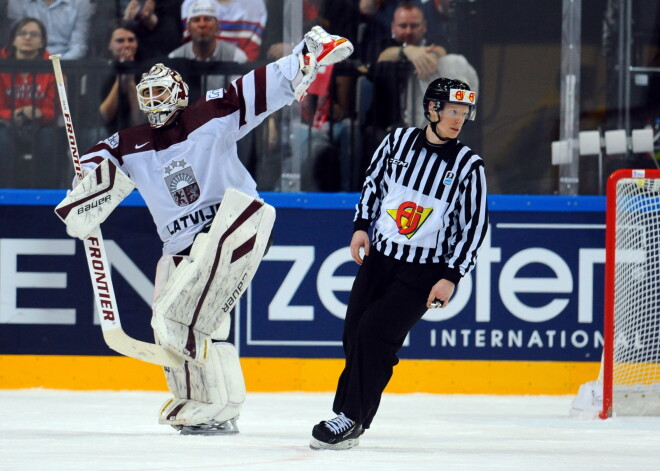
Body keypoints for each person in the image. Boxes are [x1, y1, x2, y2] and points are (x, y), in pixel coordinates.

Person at [72, 26, 353, 434]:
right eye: (146, 95)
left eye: (161, 93)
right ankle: (206, 400)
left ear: (181, 94)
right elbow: (90, 175)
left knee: (179, 316)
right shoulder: (128, 144)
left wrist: (305, 56)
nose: (153, 102)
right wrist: (82, 202)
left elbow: (255, 90)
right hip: (183, 245)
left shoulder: (209, 114)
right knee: (175, 324)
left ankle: (218, 403)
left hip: (236, 224)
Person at [310, 78, 488, 450]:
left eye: (464, 113)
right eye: (452, 111)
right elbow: (374, 185)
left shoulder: (469, 166)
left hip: (423, 271)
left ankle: (350, 416)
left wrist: (450, 277)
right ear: (432, 109)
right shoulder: (397, 142)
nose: (459, 119)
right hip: (381, 259)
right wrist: (361, 227)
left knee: (375, 334)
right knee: (354, 333)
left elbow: (474, 226)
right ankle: (351, 416)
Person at [0, 17, 61, 188]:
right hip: (6, 123)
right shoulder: (2, 65)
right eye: (22, 33)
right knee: (2, 140)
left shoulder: (53, 67)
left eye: (33, 34)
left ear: (42, 42)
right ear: (13, 40)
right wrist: (13, 115)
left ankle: (46, 193)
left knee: (50, 140)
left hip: (41, 123)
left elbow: (53, 109)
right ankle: (5, 193)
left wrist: (38, 113)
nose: (27, 38)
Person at [169, 0, 247, 91]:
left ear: (217, 26)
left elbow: (237, 97)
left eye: (207, 19)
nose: (202, 25)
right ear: (188, 28)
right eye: (196, 20)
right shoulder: (174, 58)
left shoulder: (236, 57)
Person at [98, 21, 144, 137]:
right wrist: (120, 80)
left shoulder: (147, 71)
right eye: (120, 41)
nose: (126, 45)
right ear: (109, 45)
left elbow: (139, 120)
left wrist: (130, 83)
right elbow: (104, 117)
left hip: (135, 130)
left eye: (131, 40)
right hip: (106, 131)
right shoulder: (98, 70)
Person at [180, 0, 267, 61]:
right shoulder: (190, 3)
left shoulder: (256, 4)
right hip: (196, 75)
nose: (202, 24)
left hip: (240, 73)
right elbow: (190, 48)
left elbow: (252, 50)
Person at [7, 0, 94, 60]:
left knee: (61, 84)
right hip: (29, 59)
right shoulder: (17, 2)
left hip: (64, 62)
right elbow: (17, 38)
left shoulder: (80, 4)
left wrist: (55, 65)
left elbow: (78, 46)